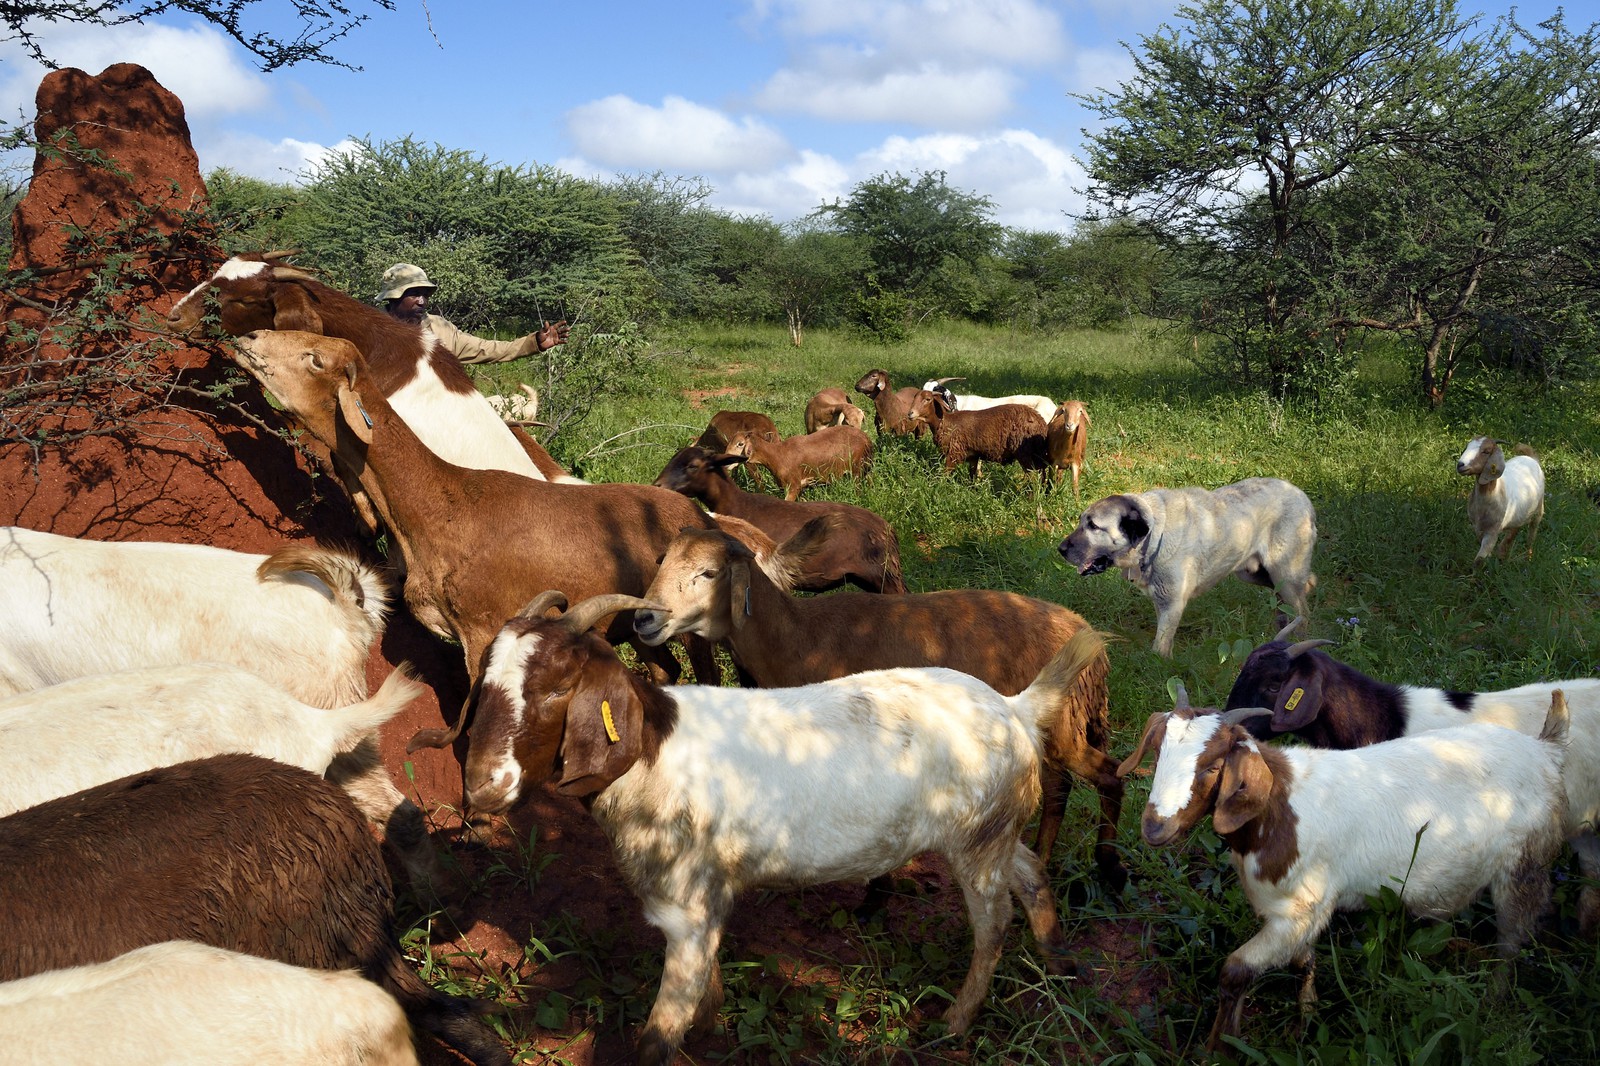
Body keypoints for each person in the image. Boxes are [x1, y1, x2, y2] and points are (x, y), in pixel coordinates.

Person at [377, 263, 569, 365]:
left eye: (425, 295)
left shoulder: (439, 329)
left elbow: (486, 348)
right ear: (394, 297)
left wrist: (534, 342)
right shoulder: (372, 329)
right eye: (414, 294)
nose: (422, 301)